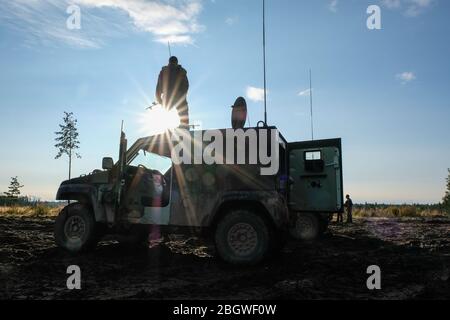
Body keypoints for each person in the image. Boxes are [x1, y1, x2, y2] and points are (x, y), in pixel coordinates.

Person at [155, 56, 190, 128]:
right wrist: (183, 94)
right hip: (177, 95)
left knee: (168, 111)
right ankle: (183, 125)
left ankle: (183, 126)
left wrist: (159, 98)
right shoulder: (180, 71)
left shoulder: (165, 71)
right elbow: (186, 84)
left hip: (171, 95)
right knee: (182, 111)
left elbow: (159, 86)